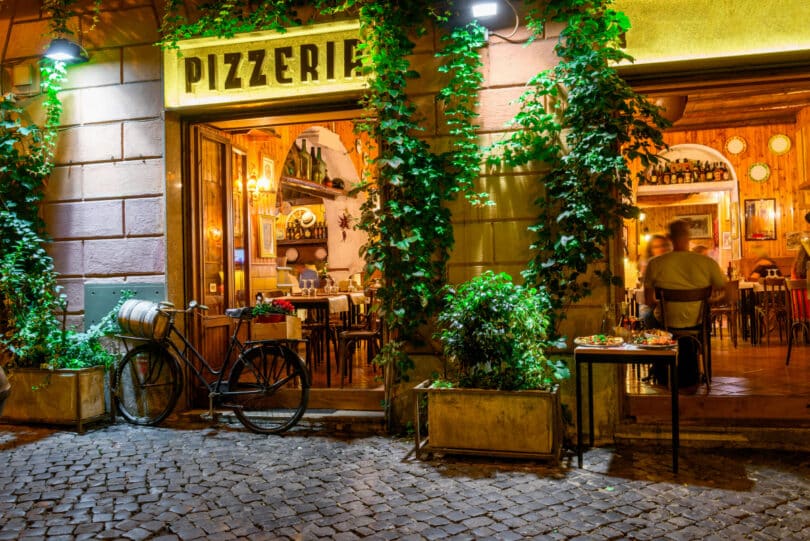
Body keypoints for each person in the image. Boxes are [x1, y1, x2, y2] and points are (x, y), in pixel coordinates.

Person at [644, 219, 729, 387]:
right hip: (697, 323)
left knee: (647, 317)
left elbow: (649, 301)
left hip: (665, 324)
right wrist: (710, 302)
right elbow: (729, 292)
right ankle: (695, 368)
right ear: (689, 237)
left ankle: (660, 368)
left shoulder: (654, 264)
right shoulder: (707, 263)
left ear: (669, 238)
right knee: (704, 323)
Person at [637, 234, 672, 329]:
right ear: (651, 250)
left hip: (670, 307)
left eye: (664, 245)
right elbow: (650, 300)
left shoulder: (674, 264)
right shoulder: (649, 265)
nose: (661, 249)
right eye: (656, 247)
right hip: (653, 307)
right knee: (646, 316)